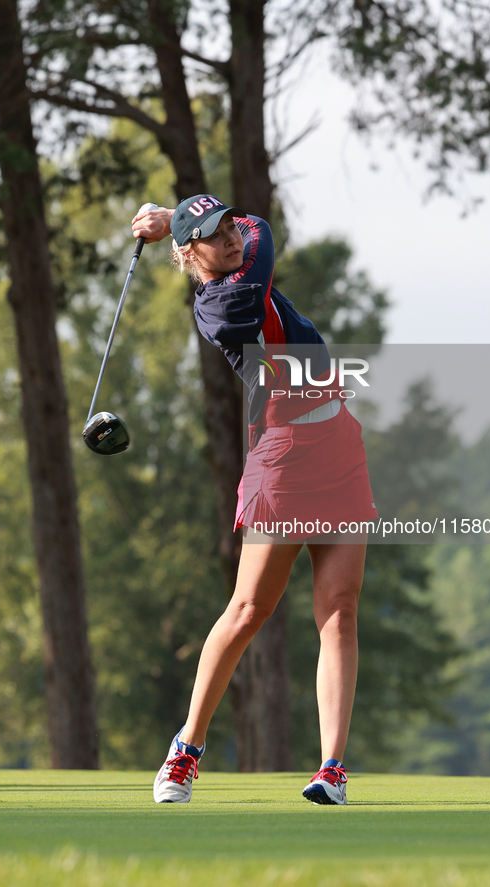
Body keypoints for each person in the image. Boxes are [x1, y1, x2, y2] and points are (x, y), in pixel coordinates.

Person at [132, 195, 377, 806]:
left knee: (340, 611)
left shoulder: (234, 261)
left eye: (227, 228)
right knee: (248, 611)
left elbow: (245, 226)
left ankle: (332, 769)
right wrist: (179, 221)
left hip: (339, 442)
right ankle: (186, 750)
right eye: (213, 237)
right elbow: (261, 227)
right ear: (192, 255)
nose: (231, 240)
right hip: (287, 457)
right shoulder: (223, 302)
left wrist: (178, 216)